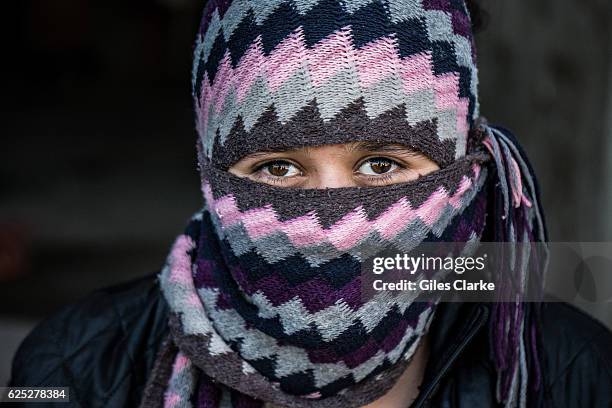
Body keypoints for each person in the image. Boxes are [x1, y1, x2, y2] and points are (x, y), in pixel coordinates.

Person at [10, 1, 612, 407]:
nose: (335, 226)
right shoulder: (72, 369)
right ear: (212, 176)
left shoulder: (569, 368)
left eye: (383, 166)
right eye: (278, 167)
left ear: (463, 172)